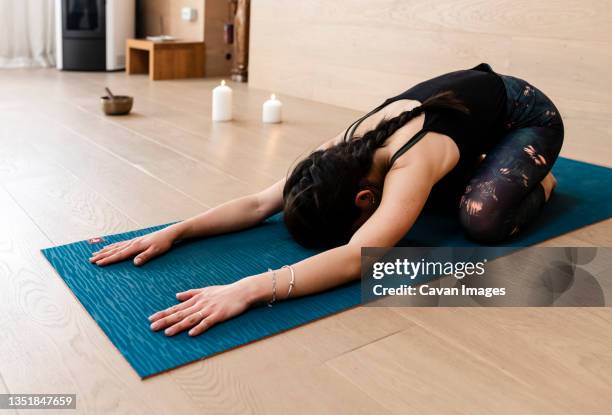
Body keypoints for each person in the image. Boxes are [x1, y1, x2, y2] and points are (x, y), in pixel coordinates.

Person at [89, 63, 564, 337]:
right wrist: (175, 231)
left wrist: (250, 288)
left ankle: (539, 182)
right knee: (424, 206)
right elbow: (259, 203)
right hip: (462, 118)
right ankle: (477, 163)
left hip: (525, 116)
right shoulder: (331, 153)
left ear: (364, 198)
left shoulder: (409, 164)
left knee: (480, 221)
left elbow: (360, 256)